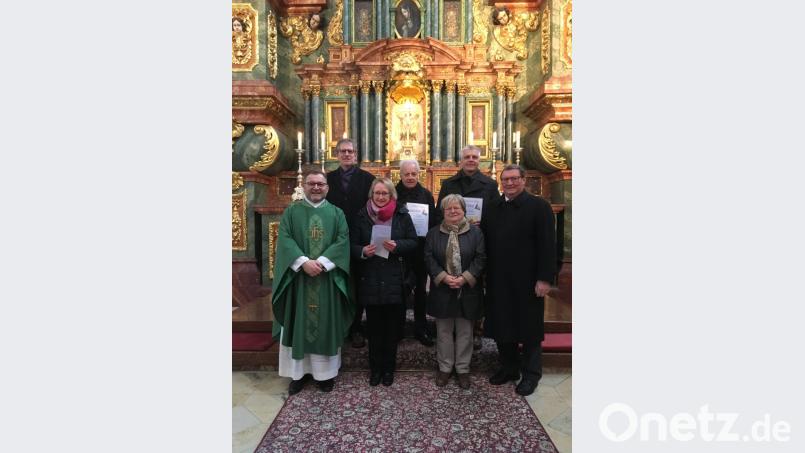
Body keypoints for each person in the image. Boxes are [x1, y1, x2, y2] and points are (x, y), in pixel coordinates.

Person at [272, 170, 355, 395]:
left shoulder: (337, 213)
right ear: (304, 186)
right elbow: (285, 240)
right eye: (312, 184)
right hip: (299, 279)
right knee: (299, 323)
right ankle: (298, 375)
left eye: (320, 184)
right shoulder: (292, 212)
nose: (316, 188)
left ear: (327, 187)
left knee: (326, 324)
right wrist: (303, 262)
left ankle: (324, 376)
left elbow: (342, 240)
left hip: (326, 279)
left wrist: (322, 262)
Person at [481, 164, 556, 396]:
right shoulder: (493, 207)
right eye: (506, 180)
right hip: (498, 278)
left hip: (528, 280)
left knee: (529, 328)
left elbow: (547, 246)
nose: (510, 183)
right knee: (503, 324)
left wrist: (544, 279)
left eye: (514, 179)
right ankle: (509, 368)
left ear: (524, 181)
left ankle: (531, 374)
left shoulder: (539, 207)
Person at [350, 178, 418, 386]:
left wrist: (397, 245)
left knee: (391, 331)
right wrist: (362, 251)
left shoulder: (402, 215)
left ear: (391, 196)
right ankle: (375, 369)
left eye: (385, 193)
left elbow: (414, 242)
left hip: (394, 278)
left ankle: (389, 369)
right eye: (377, 193)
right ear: (372, 195)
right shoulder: (361, 215)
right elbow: (350, 244)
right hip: (370, 277)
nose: (381, 197)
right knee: (374, 329)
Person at [436, 145, 499, 350]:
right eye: (466, 157)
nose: (470, 160)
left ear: (479, 160)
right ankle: (454, 329)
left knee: (474, 285)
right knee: (451, 282)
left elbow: (496, 214)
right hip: (450, 241)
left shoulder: (490, 185)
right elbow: (440, 213)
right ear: (460, 161)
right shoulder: (448, 183)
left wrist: (484, 223)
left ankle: (476, 331)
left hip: (477, 240)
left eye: (474, 157)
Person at [425, 195, 486, 389]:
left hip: (467, 289)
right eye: (448, 209)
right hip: (443, 288)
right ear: (443, 212)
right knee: (443, 332)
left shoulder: (476, 233)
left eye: (456, 208)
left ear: (463, 211)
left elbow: (481, 257)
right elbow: (428, 257)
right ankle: (445, 368)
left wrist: (465, 278)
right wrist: (443, 276)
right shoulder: (434, 233)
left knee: (465, 332)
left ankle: (462, 369)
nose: (453, 211)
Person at [326, 138, 376, 348]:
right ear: (337, 154)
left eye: (351, 151)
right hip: (333, 240)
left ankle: (355, 327)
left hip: (359, 241)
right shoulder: (327, 179)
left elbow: (375, 208)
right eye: (343, 151)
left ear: (356, 155)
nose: (347, 155)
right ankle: (337, 326)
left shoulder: (368, 179)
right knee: (336, 284)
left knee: (358, 285)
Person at [395, 160, 439, 346]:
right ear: (401, 175)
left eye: (414, 174)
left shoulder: (426, 195)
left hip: (420, 250)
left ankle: (421, 328)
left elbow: (433, 222)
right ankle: (397, 329)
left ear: (418, 174)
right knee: (398, 291)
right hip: (398, 250)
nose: (411, 177)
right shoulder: (393, 193)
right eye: (407, 174)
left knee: (420, 291)